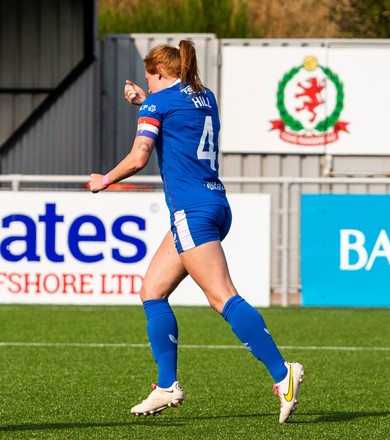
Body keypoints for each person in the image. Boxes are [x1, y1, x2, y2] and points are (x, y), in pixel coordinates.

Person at [89, 40, 305, 424]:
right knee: (152, 291)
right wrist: (145, 99)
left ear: (157, 74)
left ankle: (281, 373)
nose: (146, 85)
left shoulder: (159, 103)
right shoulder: (205, 96)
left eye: (148, 79)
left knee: (222, 297)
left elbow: (140, 157)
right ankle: (166, 385)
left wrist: (104, 179)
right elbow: (176, 111)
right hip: (214, 206)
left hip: (192, 211)